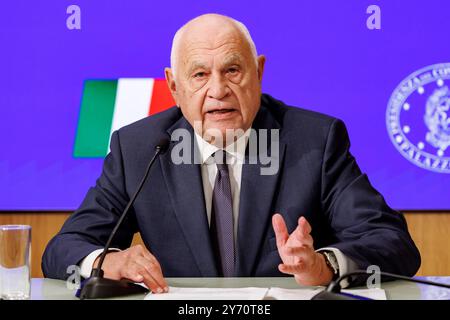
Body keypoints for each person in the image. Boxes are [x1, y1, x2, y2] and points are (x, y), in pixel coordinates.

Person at [42, 14, 420, 294]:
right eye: (200, 75)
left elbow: (392, 242)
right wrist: (107, 260)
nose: (218, 89)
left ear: (259, 72)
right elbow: (62, 248)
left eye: (233, 70)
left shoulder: (314, 141)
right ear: (174, 86)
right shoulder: (140, 148)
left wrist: (323, 265)